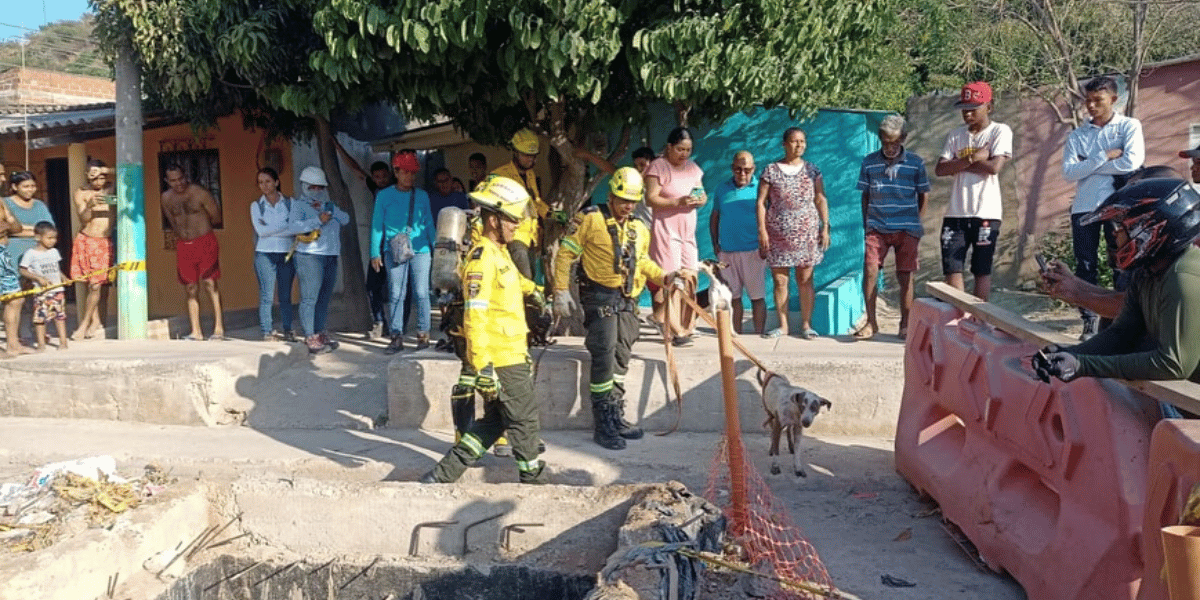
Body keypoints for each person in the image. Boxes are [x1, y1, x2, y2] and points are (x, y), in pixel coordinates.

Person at [420, 176, 550, 484]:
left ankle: (442, 475)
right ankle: (533, 478)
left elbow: (515, 281)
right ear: (493, 219)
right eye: (511, 220)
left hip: (513, 351)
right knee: (524, 419)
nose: (517, 226)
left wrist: (534, 290)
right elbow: (474, 319)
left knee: (494, 422)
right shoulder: (481, 259)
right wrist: (483, 367)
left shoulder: (500, 253)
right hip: (501, 359)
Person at [1032, 179, 1200, 392]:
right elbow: (1122, 333)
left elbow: (1173, 364)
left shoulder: (1183, 277)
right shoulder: (1147, 272)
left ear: (1149, 229)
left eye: (1121, 225)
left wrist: (1082, 365)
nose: (1114, 233)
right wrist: (1072, 353)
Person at [555, 167, 676, 450]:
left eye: (633, 202)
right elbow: (565, 253)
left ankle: (615, 411)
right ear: (610, 196)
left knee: (621, 357)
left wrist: (665, 277)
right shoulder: (589, 219)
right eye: (623, 200)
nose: (628, 206)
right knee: (605, 355)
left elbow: (643, 262)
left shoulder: (638, 228)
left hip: (627, 302)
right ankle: (603, 422)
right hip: (600, 298)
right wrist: (560, 291)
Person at [1041, 164, 1187, 319]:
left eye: (1126, 222)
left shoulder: (1180, 269)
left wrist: (1075, 292)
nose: (1115, 231)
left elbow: (1129, 310)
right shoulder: (1149, 263)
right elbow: (1125, 301)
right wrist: (1073, 283)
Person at [1061, 76, 1145, 340]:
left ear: (1113, 100)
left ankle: (1119, 318)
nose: (1092, 106)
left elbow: (1131, 162)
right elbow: (1068, 172)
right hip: (1084, 206)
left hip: (1117, 204)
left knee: (1120, 261)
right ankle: (1088, 320)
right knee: (1085, 265)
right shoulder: (1078, 134)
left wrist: (1088, 165)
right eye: (1088, 101)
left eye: (1098, 100)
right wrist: (1104, 156)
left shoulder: (1128, 126)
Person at [934, 82, 1012, 302]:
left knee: (981, 268)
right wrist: (972, 158)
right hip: (956, 213)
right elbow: (940, 169)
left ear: (989, 106)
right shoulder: (955, 135)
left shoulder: (999, 131)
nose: (967, 113)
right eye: (964, 108)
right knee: (952, 266)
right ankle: (959, 317)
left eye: (973, 108)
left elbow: (994, 168)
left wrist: (958, 163)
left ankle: (979, 319)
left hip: (985, 212)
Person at [855, 115, 930, 340]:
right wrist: (867, 225)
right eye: (885, 142)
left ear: (904, 138)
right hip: (877, 227)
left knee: (905, 276)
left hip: (906, 228)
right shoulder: (869, 162)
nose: (889, 147)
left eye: (894, 142)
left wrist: (916, 225)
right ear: (880, 139)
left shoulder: (916, 163)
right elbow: (865, 196)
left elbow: (923, 195)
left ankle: (905, 323)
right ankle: (871, 323)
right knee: (869, 271)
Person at [757, 127, 829, 340]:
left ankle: (807, 325)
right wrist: (762, 230)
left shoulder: (812, 170)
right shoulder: (770, 170)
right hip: (777, 234)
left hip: (806, 233)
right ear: (784, 144)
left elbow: (820, 198)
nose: (799, 145)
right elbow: (761, 202)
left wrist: (825, 226)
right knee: (780, 281)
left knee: (805, 279)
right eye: (794, 141)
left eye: (802, 141)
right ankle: (783, 325)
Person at [645, 128, 705, 345]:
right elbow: (651, 198)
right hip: (666, 231)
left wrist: (699, 200)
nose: (684, 154)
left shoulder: (692, 169)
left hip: (687, 233)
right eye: (680, 149)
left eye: (688, 150)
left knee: (690, 277)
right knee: (673, 279)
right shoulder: (658, 167)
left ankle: (671, 320)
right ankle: (674, 328)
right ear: (669, 147)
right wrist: (677, 202)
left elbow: (701, 193)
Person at [371, 150, 436, 354]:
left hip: (421, 249)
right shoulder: (384, 195)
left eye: (412, 172)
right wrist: (375, 252)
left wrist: (437, 250)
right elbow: (376, 226)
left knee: (422, 292)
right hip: (394, 250)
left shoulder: (422, 196)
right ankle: (396, 336)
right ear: (396, 172)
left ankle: (423, 335)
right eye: (405, 172)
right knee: (396, 294)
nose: (409, 176)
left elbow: (429, 225)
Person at [335, 140, 395, 339]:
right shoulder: (375, 188)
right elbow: (355, 169)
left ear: (390, 175)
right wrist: (337, 146)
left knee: (398, 288)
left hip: (396, 246)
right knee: (373, 286)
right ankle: (380, 322)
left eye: (384, 176)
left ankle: (397, 326)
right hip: (379, 245)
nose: (380, 179)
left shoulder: (397, 189)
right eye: (377, 177)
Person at [289, 166, 350, 354]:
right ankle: (310, 335)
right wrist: (318, 220)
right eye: (312, 187)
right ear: (304, 186)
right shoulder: (298, 205)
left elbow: (346, 219)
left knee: (323, 299)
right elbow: (293, 227)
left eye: (320, 187)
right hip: (309, 255)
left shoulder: (328, 204)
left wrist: (333, 211)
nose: (316, 191)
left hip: (330, 255)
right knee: (310, 298)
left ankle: (320, 332)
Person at [161, 163, 225, 340]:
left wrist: (200, 227)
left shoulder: (199, 193)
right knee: (190, 287)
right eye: (173, 180)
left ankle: (218, 327)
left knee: (210, 284)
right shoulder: (166, 198)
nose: (178, 183)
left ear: (185, 176)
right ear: (167, 181)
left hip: (204, 241)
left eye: (180, 178)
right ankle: (196, 331)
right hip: (184, 244)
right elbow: (171, 221)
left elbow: (216, 215)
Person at [709, 151, 766, 335]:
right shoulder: (722, 189)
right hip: (727, 253)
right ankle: (735, 336)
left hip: (753, 251)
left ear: (753, 169)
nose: (742, 174)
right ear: (732, 169)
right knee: (733, 298)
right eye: (738, 169)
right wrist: (715, 244)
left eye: (747, 170)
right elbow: (715, 216)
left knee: (757, 298)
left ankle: (758, 336)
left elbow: (770, 217)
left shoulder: (761, 189)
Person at [5, 171, 55, 354]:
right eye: (25, 186)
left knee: (34, 298)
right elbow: (9, 229)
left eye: (32, 186)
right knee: (13, 298)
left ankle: (30, 332)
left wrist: (22, 230)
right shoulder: (6, 203)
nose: (30, 190)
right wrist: (34, 231)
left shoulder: (40, 205)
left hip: (37, 257)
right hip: (12, 255)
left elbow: (49, 229)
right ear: (14, 187)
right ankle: (14, 338)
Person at [492, 128, 550, 280]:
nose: (530, 160)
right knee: (525, 282)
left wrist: (550, 214)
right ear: (515, 152)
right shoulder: (499, 176)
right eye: (526, 156)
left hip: (531, 236)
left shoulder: (530, 174)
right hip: (513, 236)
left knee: (527, 281)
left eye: (533, 156)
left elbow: (535, 201)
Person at [70, 159, 114, 340]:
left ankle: (86, 324)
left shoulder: (112, 188)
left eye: (102, 176)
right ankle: (94, 321)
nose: (98, 181)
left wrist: (107, 168)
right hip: (86, 239)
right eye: (94, 176)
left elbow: (127, 174)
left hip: (104, 241)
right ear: (87, 175)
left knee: (100, 286)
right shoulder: (81, 192)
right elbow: (83, 219)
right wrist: (89, 206)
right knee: (91, 286)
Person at [250, 167, 296, 341]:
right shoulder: (256, 206)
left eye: (268, 181)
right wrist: (284, 227)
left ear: (276, 182)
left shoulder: (290, 203)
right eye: (261, 182)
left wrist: (271, 229)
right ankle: (267, 330)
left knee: (285, 295)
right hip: (264, 253)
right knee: (266, 294)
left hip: (286, 252)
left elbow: (294, 227)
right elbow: (260, 232)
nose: (264, 186)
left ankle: (288, 329)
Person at [18, 222, 68, 351]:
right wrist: (38, 278)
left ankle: (63, 342)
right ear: (38, 237)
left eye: (55, 238)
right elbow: (23, 270)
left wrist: (64, 278)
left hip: (57, 290)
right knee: (40, 318)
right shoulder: (31, 253)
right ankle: (41, 344)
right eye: (49, 238)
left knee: (60, 316)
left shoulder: (54, 252)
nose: (53, 241)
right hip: (41, 292)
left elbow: (57, 269)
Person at [0, 198, 23, 357]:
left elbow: (16, 227)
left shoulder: (1, 201)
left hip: (3, 253)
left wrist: (7, 221)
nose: (2, 178)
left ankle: (13, 345)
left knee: (15, 298)